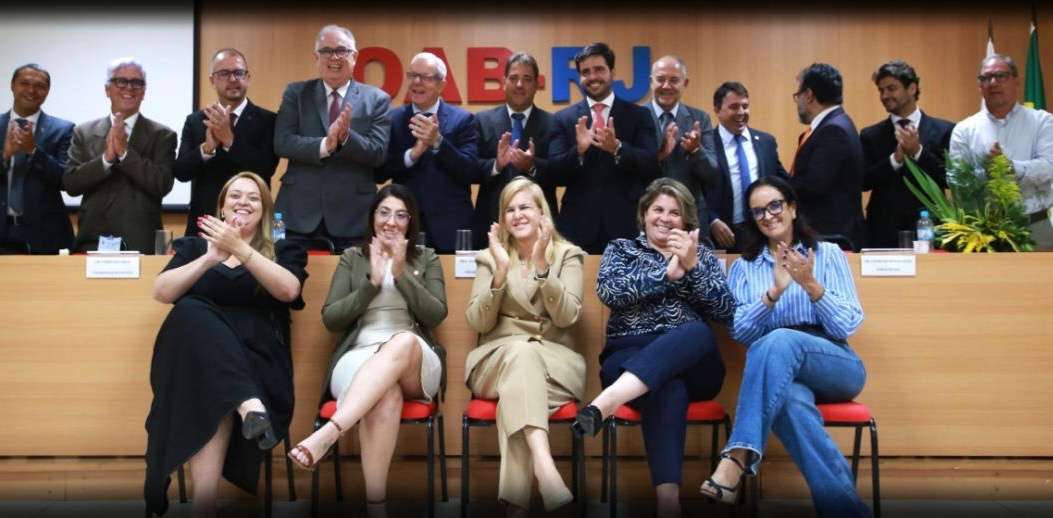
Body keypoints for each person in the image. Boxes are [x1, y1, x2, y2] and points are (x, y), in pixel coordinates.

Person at [700, 175, 869, 518]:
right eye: (758, 211)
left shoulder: (829, 254)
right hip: (779, 372)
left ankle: (737, 456)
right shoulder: (744, 268)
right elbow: (740, 332)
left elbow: (848, 323)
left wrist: (811, 286)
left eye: (775, 205)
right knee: (789, 403)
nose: (768, 215)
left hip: (836, 363)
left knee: (778, 338)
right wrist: (773, 294)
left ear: (792, 208)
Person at [145, 172, 308, 518]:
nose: (243, 203)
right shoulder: (193, 246)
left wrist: (241, 250)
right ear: (221, 207)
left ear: (264, 210)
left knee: (214, 382)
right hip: (203, 363)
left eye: (253, 198)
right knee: (189, 311)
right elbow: (161, 292)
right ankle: (246, 405)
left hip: (258, 359)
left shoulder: (283, 247)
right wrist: (210, 257)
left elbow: (289, 291)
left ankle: (204, 508)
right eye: (235, 196)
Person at [574, 178, 735, 518]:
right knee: (667, 384)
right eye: (658, 210)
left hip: (695, 362)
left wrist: (690, 268)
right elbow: (610, 292)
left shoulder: (702, 253)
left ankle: (604, 404)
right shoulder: (621, 249)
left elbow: (726, 312)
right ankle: (668, 503)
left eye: (675, 213)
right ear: (644, 214)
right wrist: (665, 275)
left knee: (696, 333)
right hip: (628, 353)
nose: (665, 218)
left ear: (686, 220)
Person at [288, 184, 447, 518]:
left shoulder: (427, 257)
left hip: (415, 360)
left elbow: (436, 314)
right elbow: (331, 318)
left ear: (410, 222)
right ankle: (377, 506)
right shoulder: (352, 258)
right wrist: (371, 283)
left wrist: (401, 273)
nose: (391, 222)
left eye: (401, 215)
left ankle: (330, 432)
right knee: (386, 394)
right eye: (384, 212)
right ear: (373, 217)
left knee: (401, 342)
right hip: (359, 357)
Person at [465, 177, 586, 516]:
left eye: (524, 208)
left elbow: (567, 317)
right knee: (521, 355)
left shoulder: (567, 255)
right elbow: (478, 323)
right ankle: (546, 469)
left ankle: (516, 505)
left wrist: (545, 270)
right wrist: (500, 274)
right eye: (509, 209)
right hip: (494, 361)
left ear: (541, 213)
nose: (517, 215)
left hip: (554, 366)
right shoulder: (489, 258)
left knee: (519, 388)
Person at [274, 24, 392, 253]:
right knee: (282, 280)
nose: (334, 57)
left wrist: (346, 138)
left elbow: (378, 153)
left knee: (354, 284)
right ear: (316, 57)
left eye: (342, 50)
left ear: (355, 56)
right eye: (326, 51)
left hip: (353, 216)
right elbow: (282, 142)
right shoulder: (295, 93)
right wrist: (324, 146)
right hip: (294, 213)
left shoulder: (377, 99)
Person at [549, 42, 660, 254]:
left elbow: (651, 165)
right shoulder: (563, 119)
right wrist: (578, 151)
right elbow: (553, 172)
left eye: (599, 69)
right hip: (577, 228)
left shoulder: (639, 116)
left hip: (625, 226)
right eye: (585, 72)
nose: (593, 77)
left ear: (612, 72)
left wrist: (617, 148)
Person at [64, 57, 176, 254]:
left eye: (137, 82)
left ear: (144, 91)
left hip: (141, 241)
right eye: (121, 81)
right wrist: (106, 159)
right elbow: (71, 184)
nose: (129, 87)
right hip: (92, 239)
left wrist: (125, 154)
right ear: (107, 89)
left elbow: (162, 184)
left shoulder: (163, 135)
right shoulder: (84, 132)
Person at [949, 53, 1053, 250]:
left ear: (1016, 81)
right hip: (982, 231)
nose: (993, 82)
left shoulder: (1043, 122)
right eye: (986, 78)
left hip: (1035, 225)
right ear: (980, 86)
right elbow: (957, 184)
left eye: (1001, 76)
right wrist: (986, 169)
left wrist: (1011, 168)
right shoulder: (964, 130)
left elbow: (1049, 168)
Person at [380, 52, 478, 253]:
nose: (417, 82)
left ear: (441, 84)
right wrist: (411, 156)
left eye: (425, 77)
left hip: (451, 228)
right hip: (405, 227)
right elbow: (379, 171)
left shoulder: (463, 120)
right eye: (413, 75)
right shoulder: (393, 119)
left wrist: (438, 142)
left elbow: (470, 170)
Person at [174, 48, 278, 238]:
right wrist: (207, 149)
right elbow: (181, 172)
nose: (232, 79)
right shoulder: (196, 121)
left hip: (252, 226)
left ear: (248, 77)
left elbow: (266, 168)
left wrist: (230, 140)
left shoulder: (269, 120)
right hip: (204, 224)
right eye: (224, 73)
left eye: (238, 73)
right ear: (212, 80)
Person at [861, 60, 954, 248]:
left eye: (891, 88)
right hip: (883, 232)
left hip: (930, 229)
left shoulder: (944, 130)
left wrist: (917, 152)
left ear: (912, 88)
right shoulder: (870, 135)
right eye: (881, 90)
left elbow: (948, 178)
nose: (885, 95)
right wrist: (895, 160)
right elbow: (863, 181)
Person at [471, 52, 558, 249]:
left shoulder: (553, 123)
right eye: (514, 78)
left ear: (537, 85)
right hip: (492, 223)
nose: (519, 85)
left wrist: (532, 166)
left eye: (527, 79)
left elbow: (560, 172)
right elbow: (469, 169)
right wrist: (496, 164)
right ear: (504, 82)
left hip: (539, 228)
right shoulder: (482, 121)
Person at [702, 81, 788, 251]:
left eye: (745, 106)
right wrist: (711, 220)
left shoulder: (766, 142)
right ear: (717, 110)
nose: (741, 112)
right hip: (722, 235)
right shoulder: (705, 144)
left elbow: (782, 183)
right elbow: (696, 191)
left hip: (764, 231)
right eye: (734, 107)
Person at [789, 63, 866, 250]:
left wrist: (775, 186)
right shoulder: (837, 123)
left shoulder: (833, 130)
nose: (797, 102)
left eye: (797, 96)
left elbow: (812, 186)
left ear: (808, 95)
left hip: (832, 238)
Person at [1, 63, 75, 254]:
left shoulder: (63, 130)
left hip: (45, 234)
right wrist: (5, 156)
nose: (31, 90)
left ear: (47, 91)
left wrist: (33, 150)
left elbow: (66, 180)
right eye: (24, 83)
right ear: (12, 86)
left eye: (40, 86)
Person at [646, 55, 716, 232]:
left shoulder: (700, 119)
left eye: (674, 80)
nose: (666, 86)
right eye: (660, 79)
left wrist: (695, 151)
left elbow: (712, 174)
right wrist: (659, 155)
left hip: (689, 219)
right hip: (648, 219)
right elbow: (628, 172)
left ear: (685, 83)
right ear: (651, 82)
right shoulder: (635, 117)